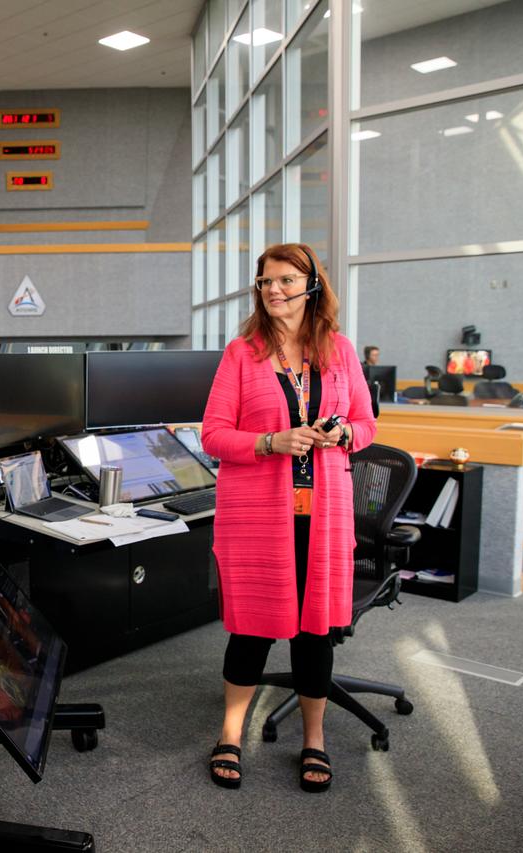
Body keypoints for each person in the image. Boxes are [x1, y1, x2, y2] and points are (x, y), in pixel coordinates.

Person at [201, 243, 376, 794]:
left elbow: (367, 424)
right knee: (250, 628)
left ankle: (314, 739)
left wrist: (344, 433)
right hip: (257, 515)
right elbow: (212, 437)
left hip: (323, 516)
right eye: (264, 282)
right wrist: (271, 441)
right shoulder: (241, 354)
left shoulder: (341, 352)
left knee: (314, 633)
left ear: (311, 287)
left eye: (284, 280)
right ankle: (231, 734)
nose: (273, 290)